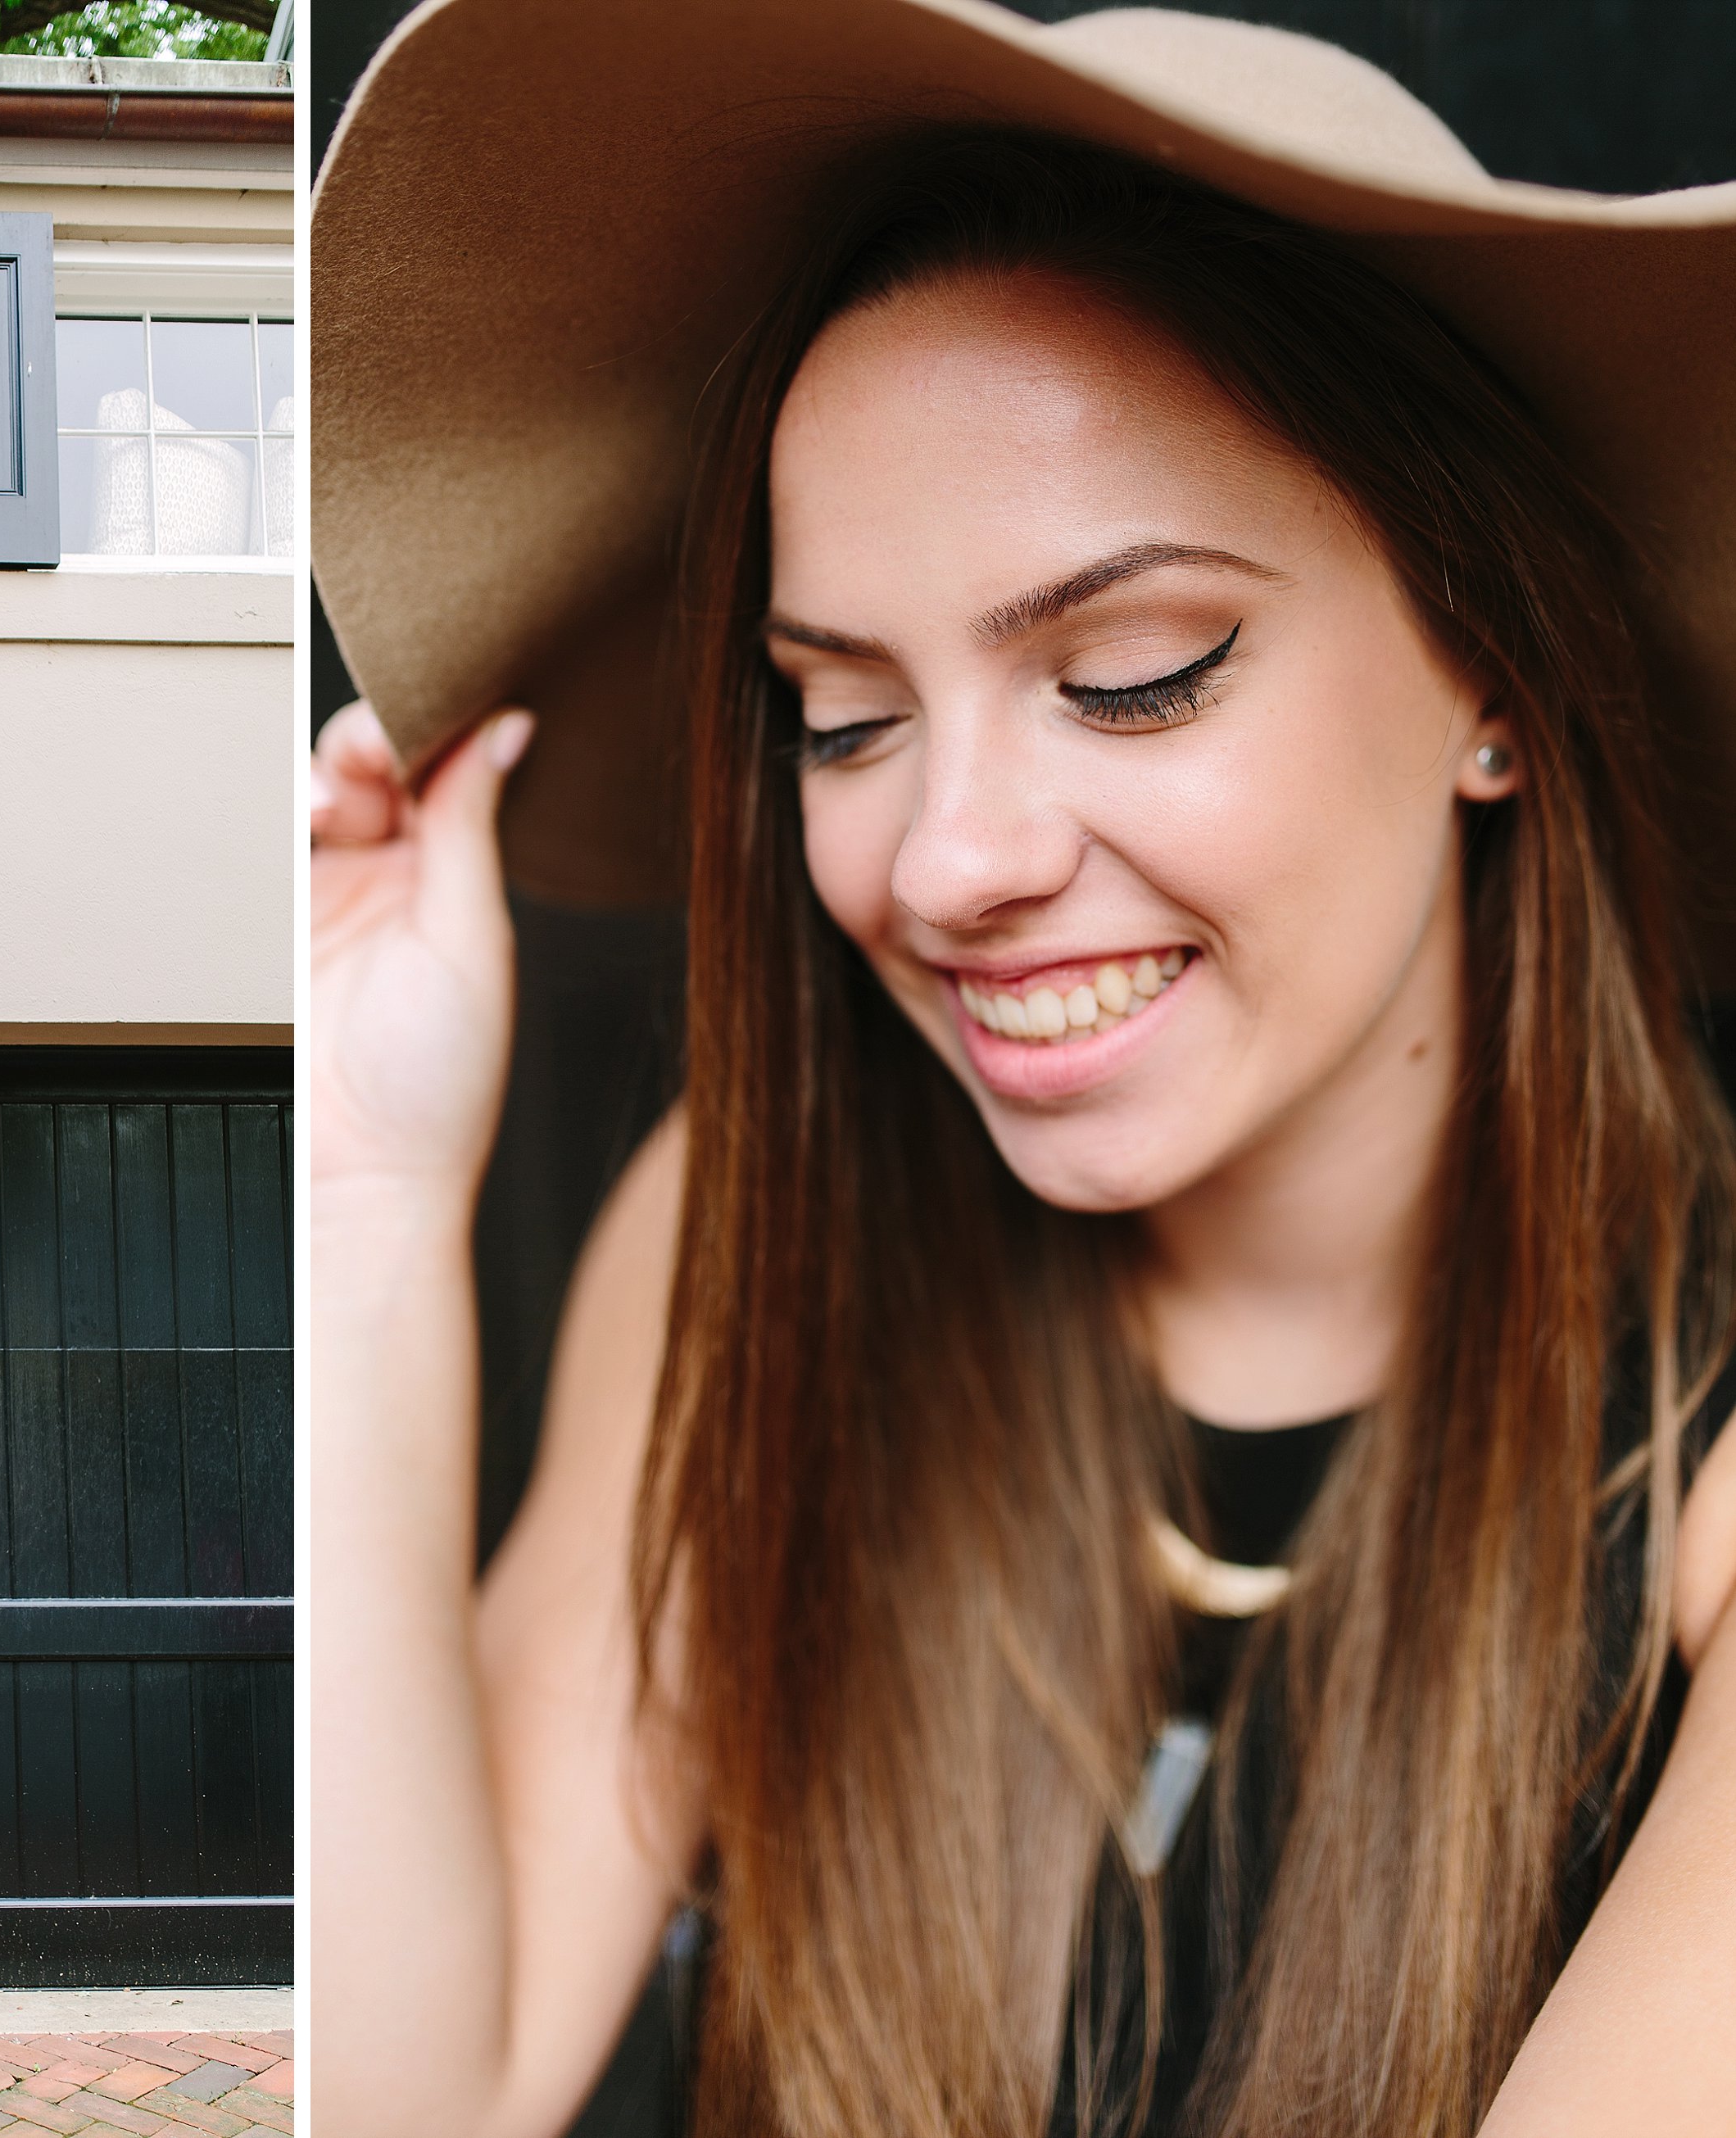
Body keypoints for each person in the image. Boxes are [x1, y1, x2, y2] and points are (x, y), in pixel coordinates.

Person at [310, 7, 1736, 2136]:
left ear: (1492, 679)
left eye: (1129, 674)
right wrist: (355, 1197)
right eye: (844, 717)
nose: (949, 859)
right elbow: (414, 2091)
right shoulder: (746, 1234)